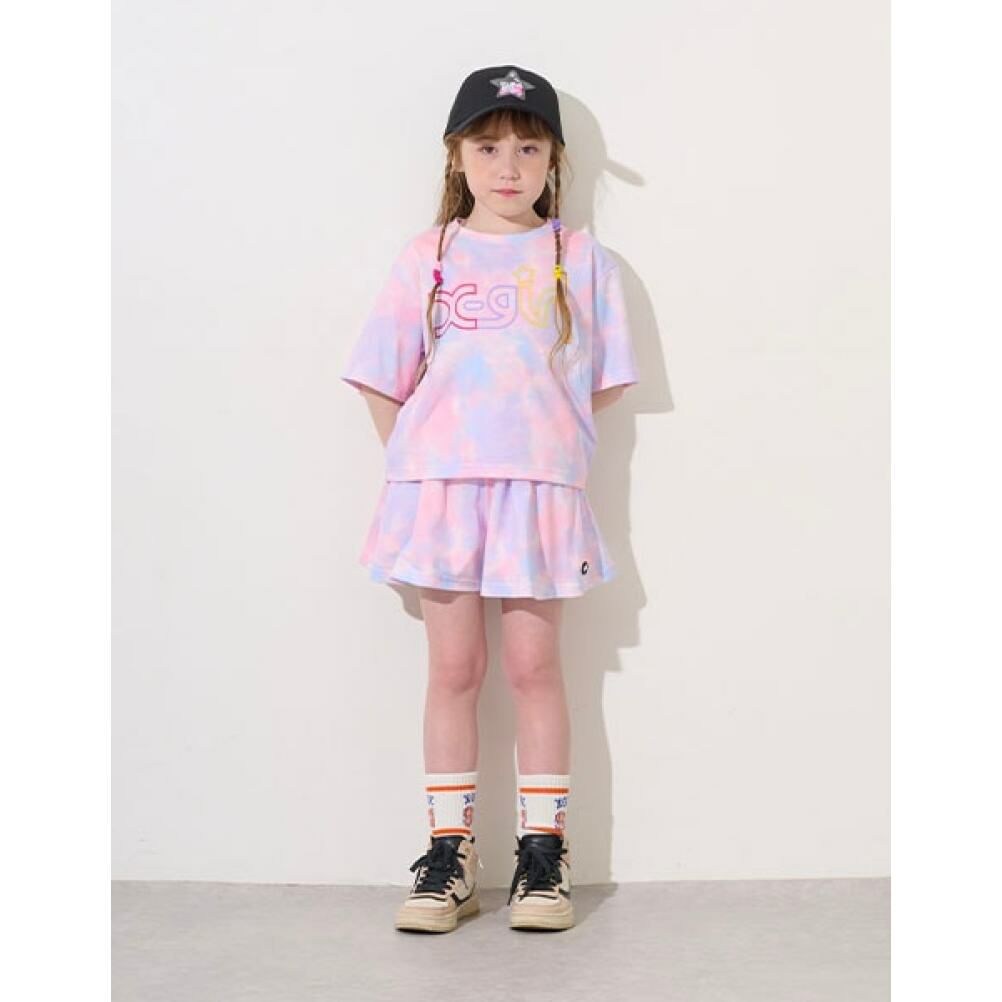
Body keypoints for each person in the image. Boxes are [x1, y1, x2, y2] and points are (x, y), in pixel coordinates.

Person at [341, 65, 639, 933]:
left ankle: (544, 856)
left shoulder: (579, 259)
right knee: (454, 670)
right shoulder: (428, 256)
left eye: (529, 148)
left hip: (537, 494)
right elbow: (382, 375)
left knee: (535, 669)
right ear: (457, 156)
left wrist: (534, 441)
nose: (508, 167)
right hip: (440, 493)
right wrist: (423, 458)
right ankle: (451, 855)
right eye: (488, 147)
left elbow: (603, 382)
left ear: (554, 160)